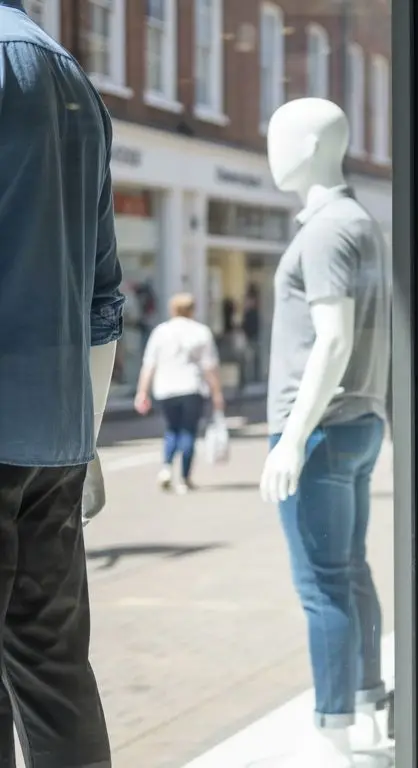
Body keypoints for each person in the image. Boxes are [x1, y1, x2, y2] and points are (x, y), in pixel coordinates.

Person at [0, 2, 124, 764]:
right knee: (53, 675)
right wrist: (88, 442)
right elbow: (103, 302)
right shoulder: (71, 76)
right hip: (55, 440)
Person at [134, 293, 227, 493]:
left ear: (172, 310)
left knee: (171, 430)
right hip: (191, 388)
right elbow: (210, 367)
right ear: (192, 310)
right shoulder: (201, 332)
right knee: (188, 432)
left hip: (165, 389)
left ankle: (166, 467)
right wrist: (217, 393)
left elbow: (149, 364)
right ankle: (184, 478)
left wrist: (142, 391)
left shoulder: (161, 332)